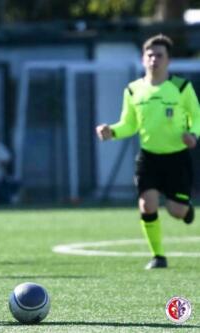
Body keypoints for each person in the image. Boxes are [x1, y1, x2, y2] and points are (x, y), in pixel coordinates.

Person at [96, 34, 200, 269]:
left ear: (168, 60)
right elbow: (129, 124)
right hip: (149, 157)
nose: (154, 59)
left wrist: (192, 135)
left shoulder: (181, 87)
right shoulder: (133, 90)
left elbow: (197, 117)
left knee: (176, 210)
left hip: (177, 157)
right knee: (147, 205)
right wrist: (111, 131)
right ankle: (158, 256)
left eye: (159, 55)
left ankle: (185, 211)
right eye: (150, 55)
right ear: (143, 59)